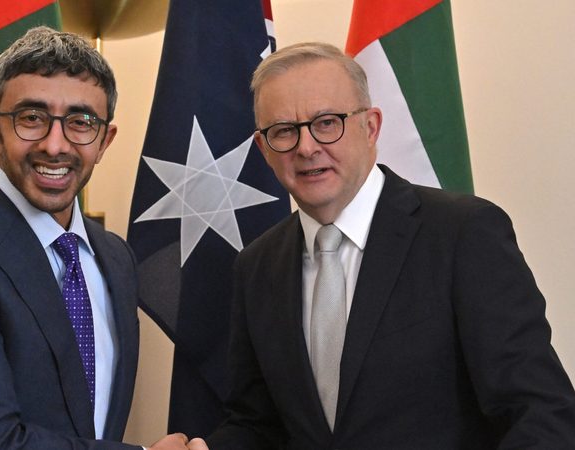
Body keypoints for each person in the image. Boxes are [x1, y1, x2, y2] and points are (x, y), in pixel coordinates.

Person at [205, 42, 575, 449]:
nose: (306, 147)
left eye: (327, 122)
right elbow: (258, 424)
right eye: (284, 131)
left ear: (371, 127)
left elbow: (540, 414)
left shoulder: (463, 233)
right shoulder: (256, 265)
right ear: (264, 148)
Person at [0, 26, 206, 450]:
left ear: (105, 140)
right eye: (31, 118)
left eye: (80, 122)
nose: (56, 145)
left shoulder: (115, 257)